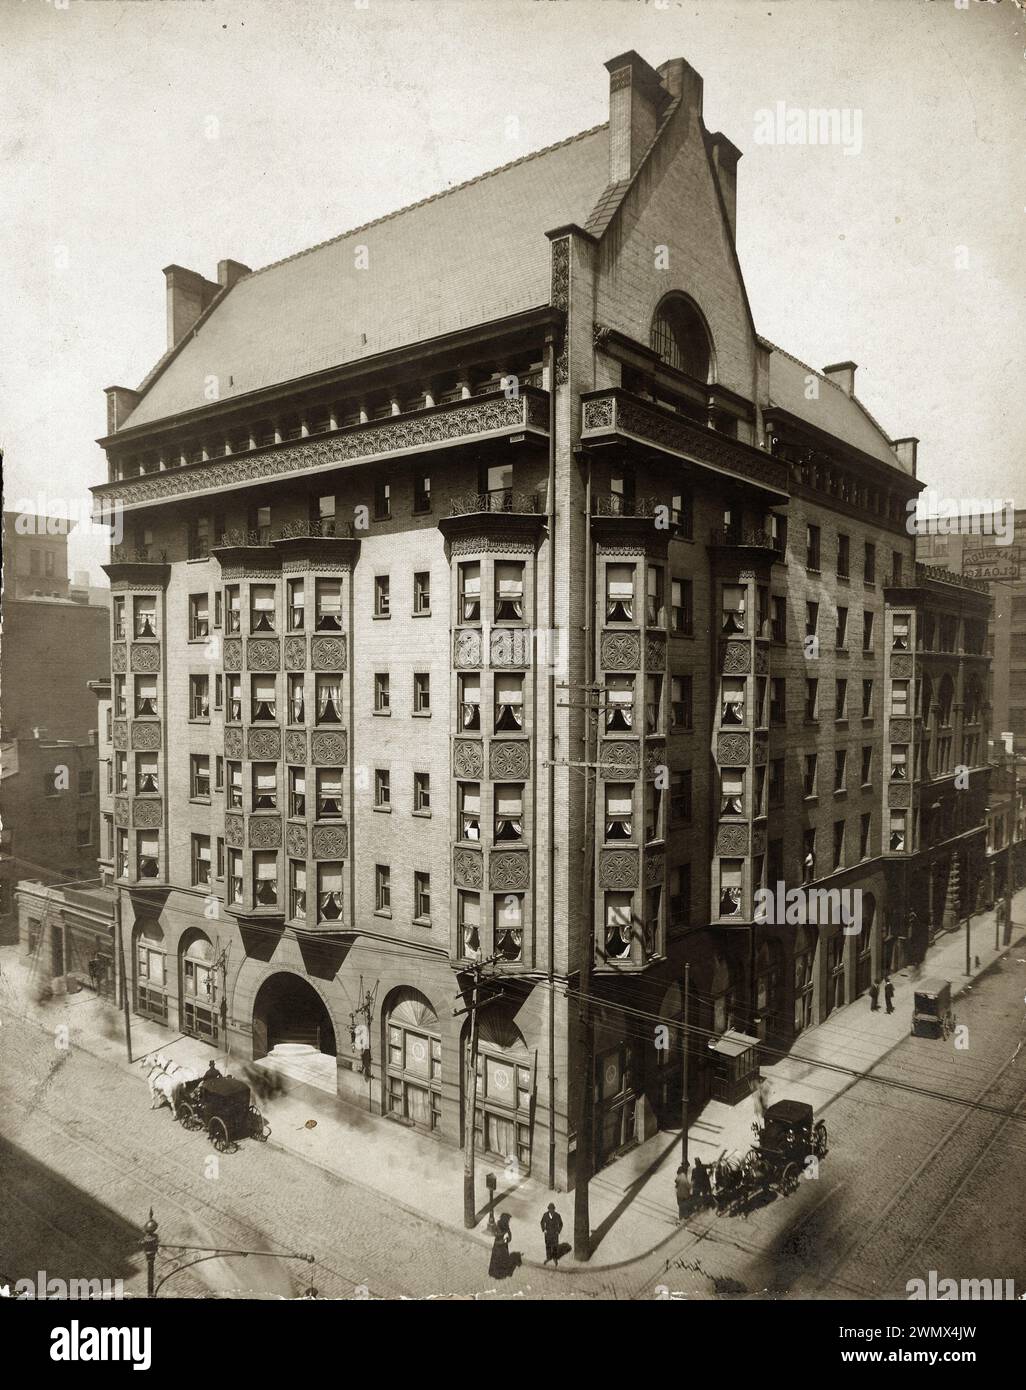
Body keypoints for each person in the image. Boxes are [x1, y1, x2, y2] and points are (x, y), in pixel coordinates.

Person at [488, 1212, 514, 1279]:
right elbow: (496, 1234)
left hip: (504, 1245)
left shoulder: (506, 1225)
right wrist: (504, 1238)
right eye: (508, 1219)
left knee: (503, 1258)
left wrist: (508, 1238)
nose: (509, 1220)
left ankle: (502, 1272)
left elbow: (509, 1232)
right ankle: (496, 1274)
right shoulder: (498, 1225)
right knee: (497, 1259)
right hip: (498, 1245)